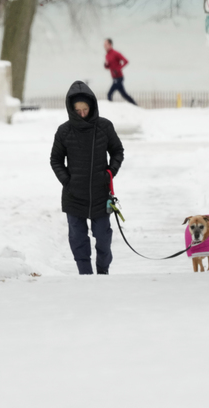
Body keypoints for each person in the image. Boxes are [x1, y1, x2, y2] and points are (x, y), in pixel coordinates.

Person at [50, 81, 125, 275]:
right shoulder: (64, 131)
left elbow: (117, 151)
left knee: (103, 237)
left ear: (91, 107)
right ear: (71, 109)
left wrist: (109, 173)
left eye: (85, 109)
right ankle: (85, 274)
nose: (82, 114)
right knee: (78, 238)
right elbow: (55, 160)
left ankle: (102, 271)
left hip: (100, 193)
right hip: (74, 195)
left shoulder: (104, 127)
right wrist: (67, 180)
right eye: (78, 110)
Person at [104, 38, 137, 105]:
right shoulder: (107, 55)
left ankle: (110, 109)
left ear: (110, 44)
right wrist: (105, 65)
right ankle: (135, 105)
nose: (104, 46)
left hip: (119, 77)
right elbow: (109, 67)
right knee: (124, 94)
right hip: (114, 78)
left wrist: (118, 69)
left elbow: (126, 61)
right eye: (104, 44)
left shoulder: (116, 53)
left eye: (106, 44)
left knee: (109, 94)